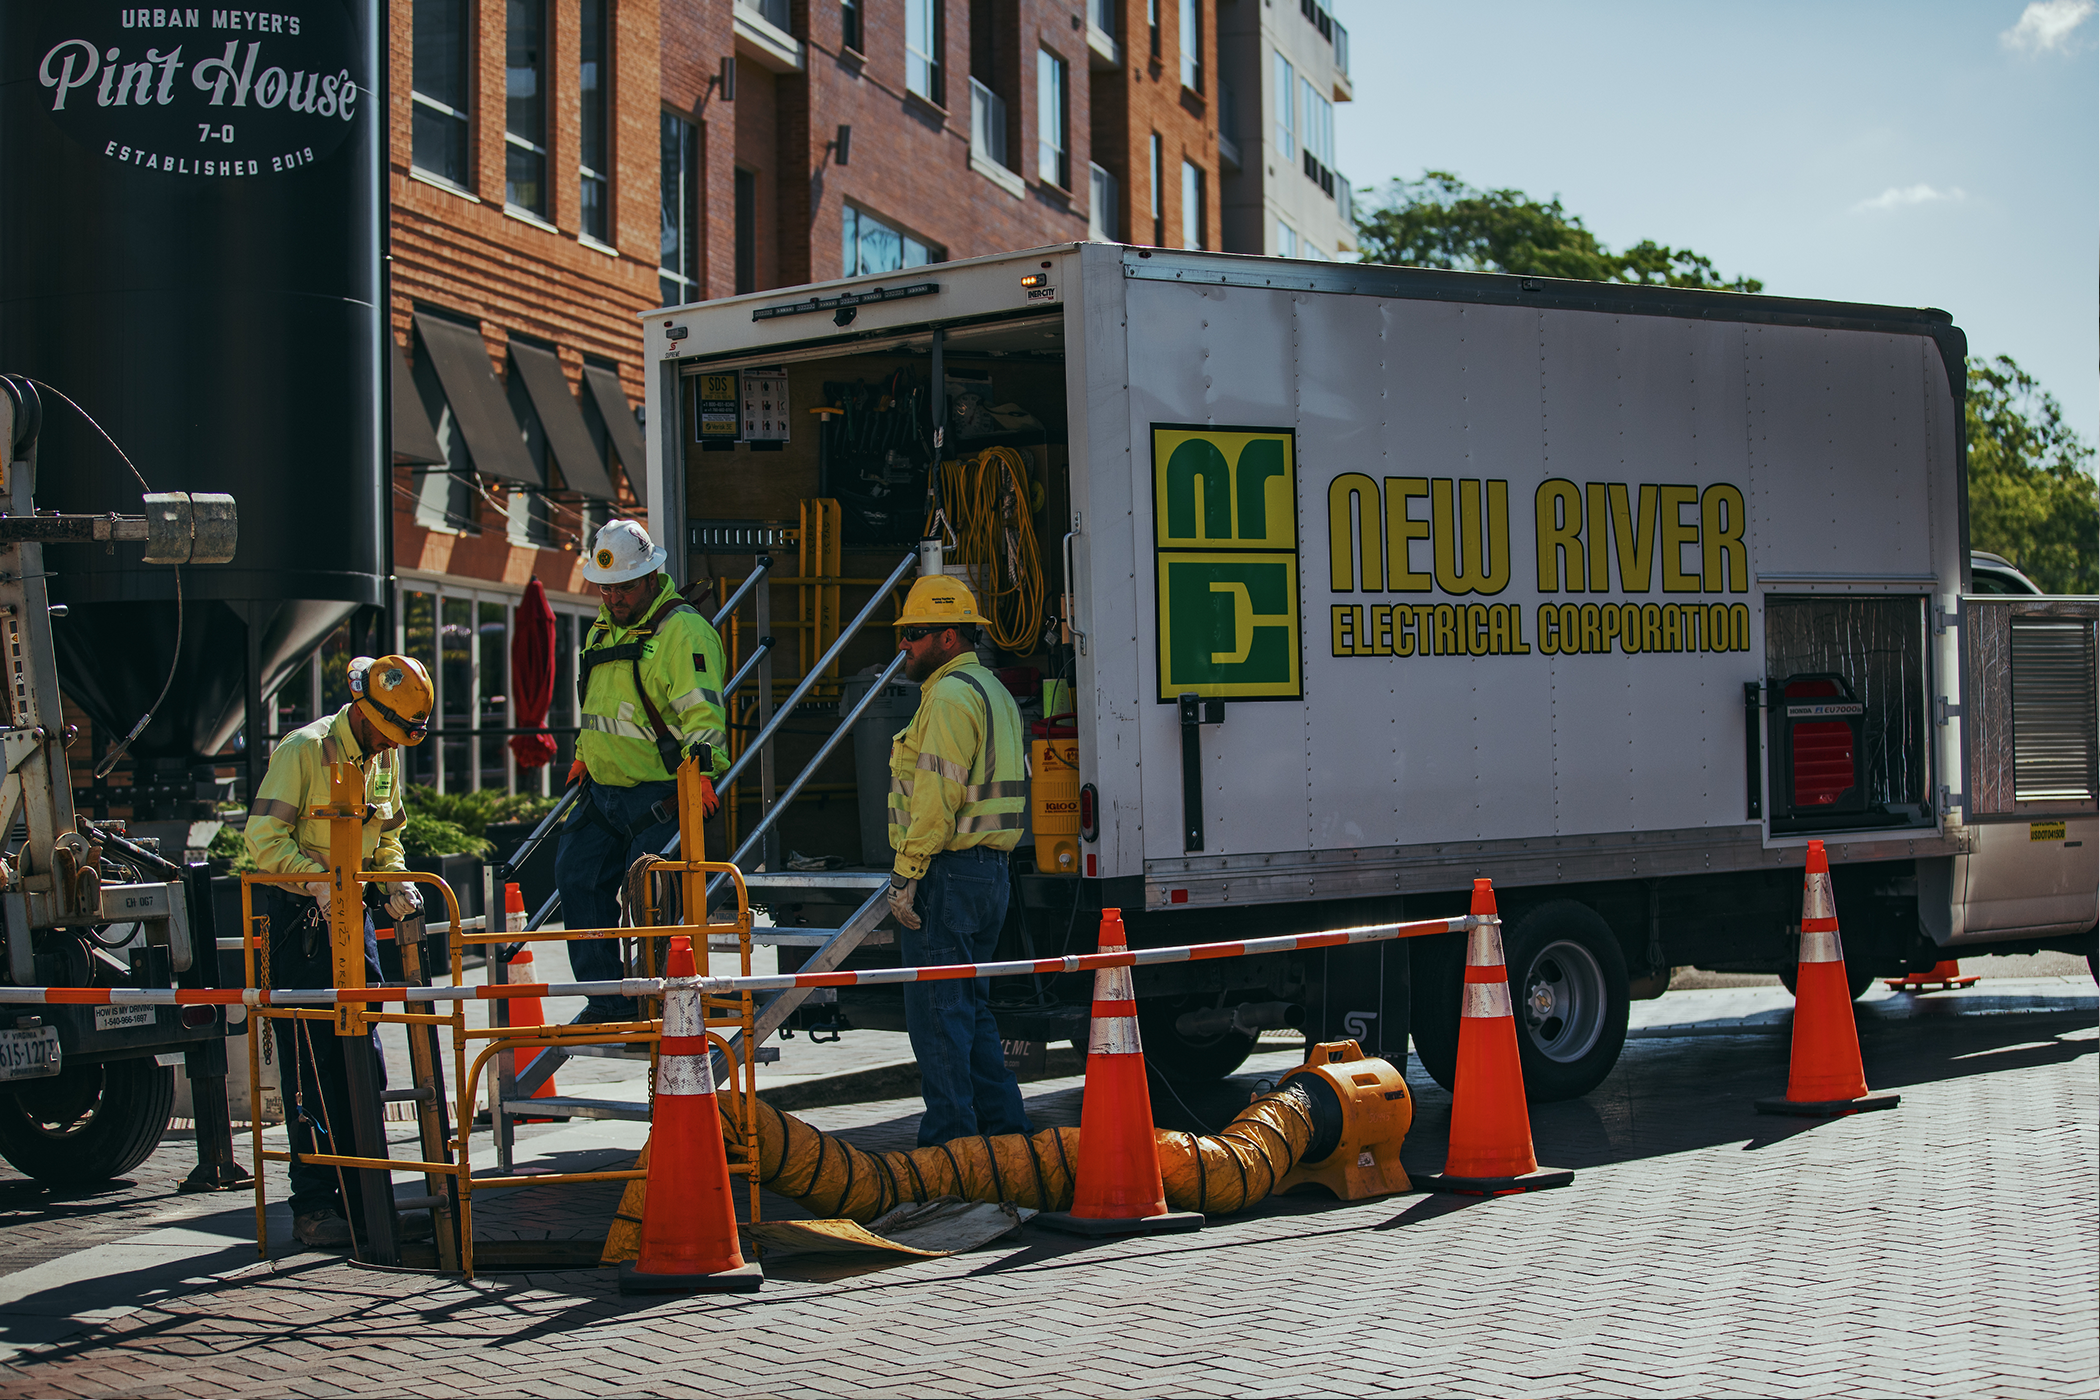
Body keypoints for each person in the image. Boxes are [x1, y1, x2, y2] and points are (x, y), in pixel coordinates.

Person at [245, 653, 432, 1249]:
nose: (389, 745)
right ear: (365, 709)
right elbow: (263, 840)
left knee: (363, 1064)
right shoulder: (305, 750)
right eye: (387, 732)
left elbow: (390, 834)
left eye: (399, 737)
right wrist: (316, 882)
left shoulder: (385, 757)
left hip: (354, 923)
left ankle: (366, 1202)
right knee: (311, 1073)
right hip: (303, 926)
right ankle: (315, 1208)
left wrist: (395, 878)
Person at [557, 518, 729, 1024]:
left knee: (653, 902)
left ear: (652, 577)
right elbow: (598, 701)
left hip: (661, 793)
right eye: (606, 589)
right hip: (603, 792)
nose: (614, 599)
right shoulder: (600, 630)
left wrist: (700, 774)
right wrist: (584, 755)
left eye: (625, 587)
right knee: (576, 877)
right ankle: (607, 1000)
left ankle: (668, 1002)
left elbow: (703, 714)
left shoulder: (683, 632)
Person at [885, 573, 1032, 1147]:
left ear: (949, 637)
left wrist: (907, 873)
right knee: (970, 1015)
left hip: (948, 875)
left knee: (940, 1020)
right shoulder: (992, 690)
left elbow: (935, 797)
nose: (905, 646)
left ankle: (950, 1155)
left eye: (915, 634)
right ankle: (1006, 1141)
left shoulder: (948, 696)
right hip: (989, 876)